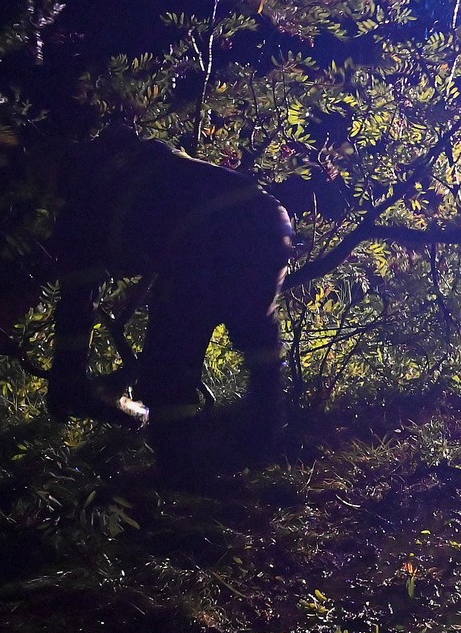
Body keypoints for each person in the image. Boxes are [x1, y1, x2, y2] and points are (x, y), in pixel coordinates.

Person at [43, 127, 294, 479]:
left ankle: (178, 469)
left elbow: (76, 307)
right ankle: (262, 439)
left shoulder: (83, 211)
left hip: (205, 236)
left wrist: (66, 379)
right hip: (269, 219)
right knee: (256, 333)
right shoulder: (148, 159)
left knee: (169, 363)